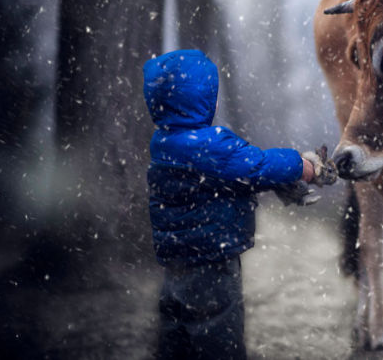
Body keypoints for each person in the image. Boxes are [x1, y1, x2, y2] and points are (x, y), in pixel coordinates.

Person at [142, 49, 336, 359]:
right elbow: (256, 166)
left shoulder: (164, 142)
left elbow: (232, 179)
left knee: (177, 335)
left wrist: (276, 183)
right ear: (204, 102)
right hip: (211, 262)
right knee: (219, 334)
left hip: (177, 261)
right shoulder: (208, 146)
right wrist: (303, 166)